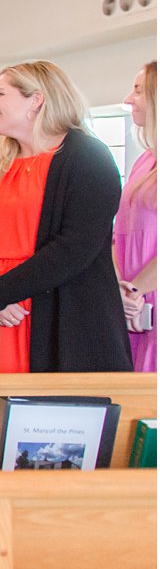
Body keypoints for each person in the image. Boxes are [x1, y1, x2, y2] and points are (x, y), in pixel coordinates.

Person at [0, 61, 129, 373]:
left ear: (35, 100)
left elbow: (75, 247)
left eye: (0, 93)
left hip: (65, 312)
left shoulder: (88, 157)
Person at [115, 61, 157, 372]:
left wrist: (136, 290)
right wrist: (121, 288)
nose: (129, 99)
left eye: (139, 90)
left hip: (147, 289)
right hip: (130, 296)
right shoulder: (145, 159)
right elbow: (118, 232)